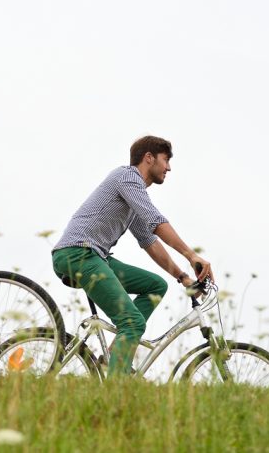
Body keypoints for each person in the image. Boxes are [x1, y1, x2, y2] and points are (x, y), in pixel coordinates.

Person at [52, 136, 214, 376]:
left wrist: (182, 277)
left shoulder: (132, 197)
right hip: (78, 253)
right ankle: (115, 389)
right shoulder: (126, 177)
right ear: (149, 158)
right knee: (133, 322)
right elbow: (155, 220)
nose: (169, 168)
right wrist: (191, 256)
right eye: (166, 160)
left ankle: (116, 353)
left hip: (94, 257)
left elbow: (150, 241)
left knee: (155, 285)